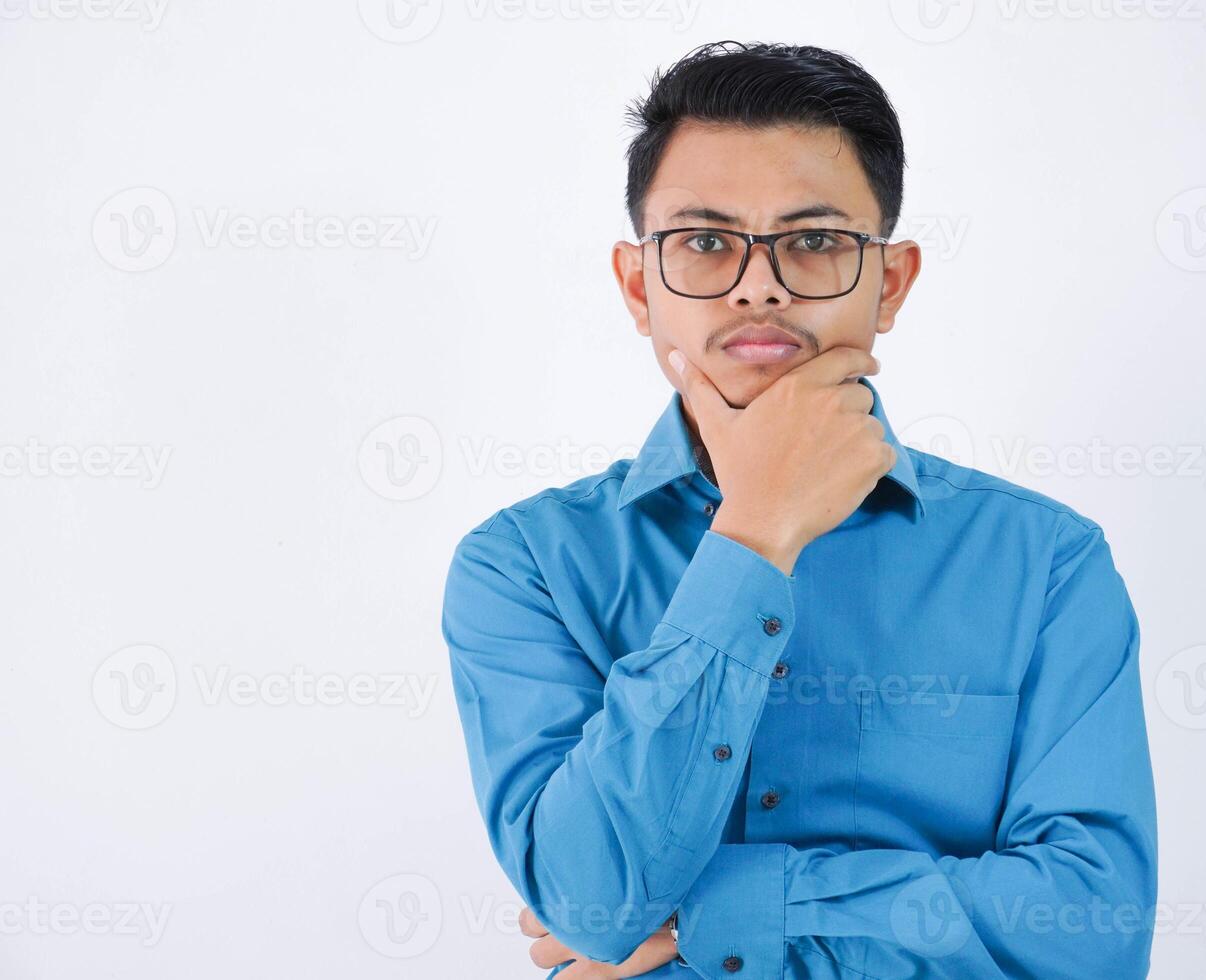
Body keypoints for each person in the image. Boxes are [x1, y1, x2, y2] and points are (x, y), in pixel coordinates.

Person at [442, 40, 1157, 979]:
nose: (759, 285)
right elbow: (590, 898)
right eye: (704, 242)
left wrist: (714, 916)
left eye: (814, 241)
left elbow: (1091, 935)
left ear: (889, 283)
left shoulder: (1046, 563)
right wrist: (757, 530)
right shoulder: (526, 564)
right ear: (635, 284)